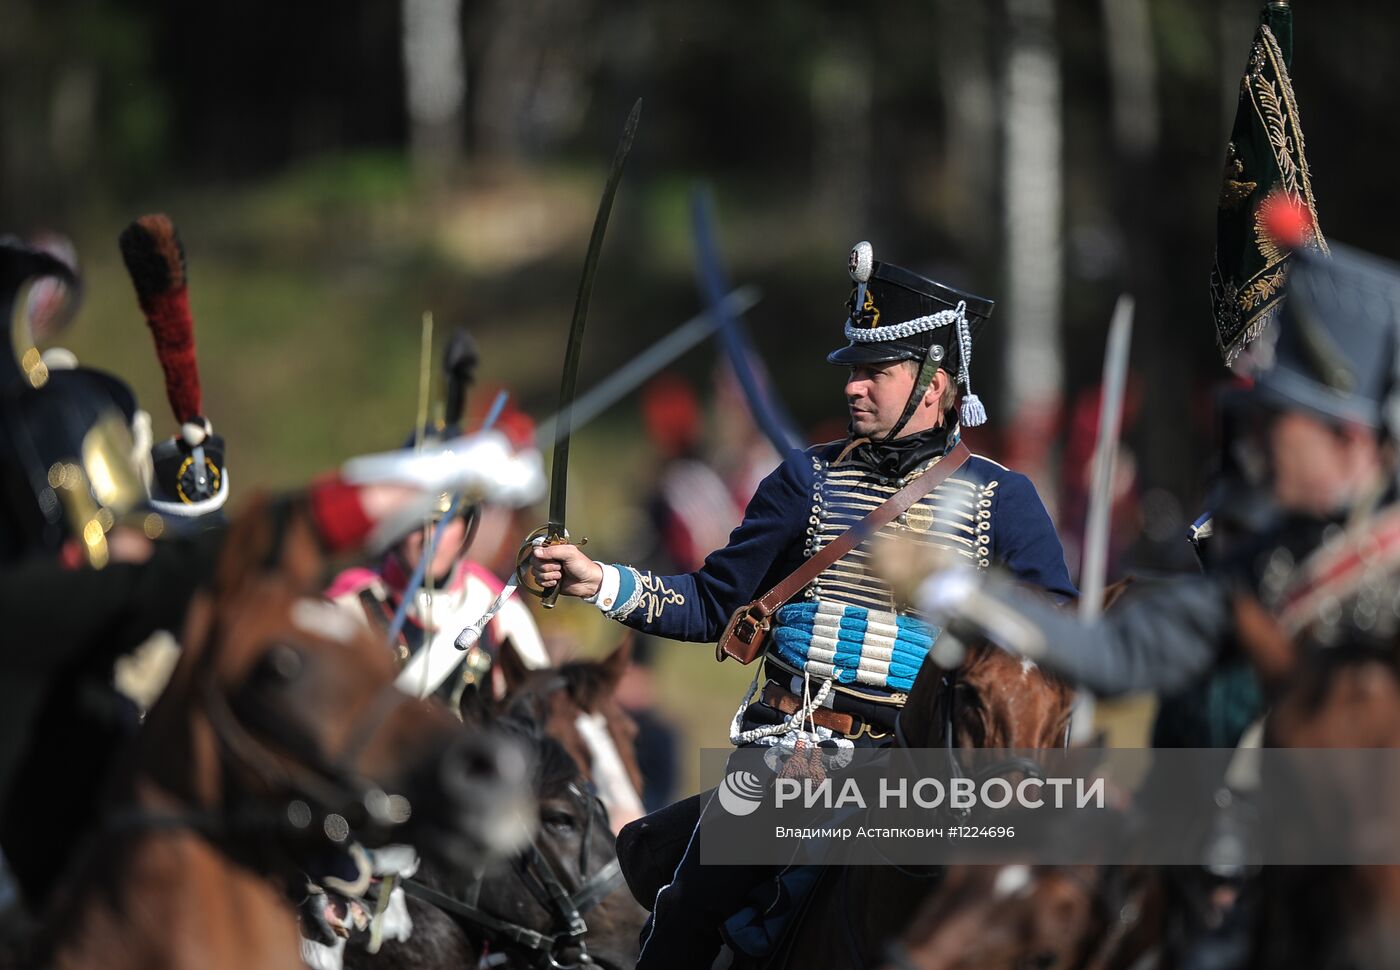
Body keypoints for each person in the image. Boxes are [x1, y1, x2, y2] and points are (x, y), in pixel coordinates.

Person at [530, 241, 1074, 967]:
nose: (853, 389)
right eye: (853, 372)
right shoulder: (804, 483)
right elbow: (709, 603)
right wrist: (596, 580)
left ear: (936, 385)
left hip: (929, 779)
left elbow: (1055, 650)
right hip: (795, 759)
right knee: (687, 911)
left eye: (875, 373)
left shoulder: (1006, 502)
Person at [0, 237, 544, 913]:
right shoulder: (30, 612)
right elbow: (209, 563)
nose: (138, 543)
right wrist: (417, 480)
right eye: (112, 529)